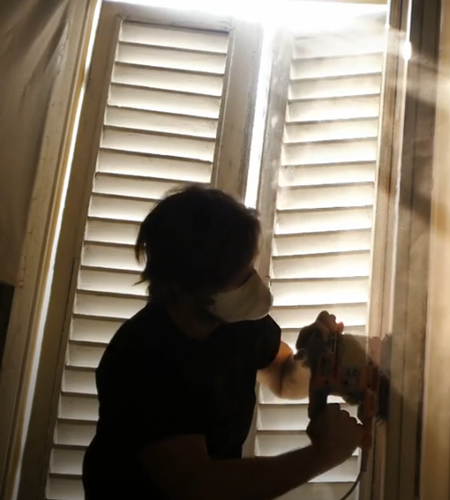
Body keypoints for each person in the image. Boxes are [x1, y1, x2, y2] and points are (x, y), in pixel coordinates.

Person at [82, 185, 363, 500]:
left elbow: (284, 378)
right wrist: (323, 455)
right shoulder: (142, 358)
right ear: (185, 285)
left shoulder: (238, 324)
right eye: (237, 274)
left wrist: (315, 358)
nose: (252, 282)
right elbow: (198, 486)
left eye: (248, 266)